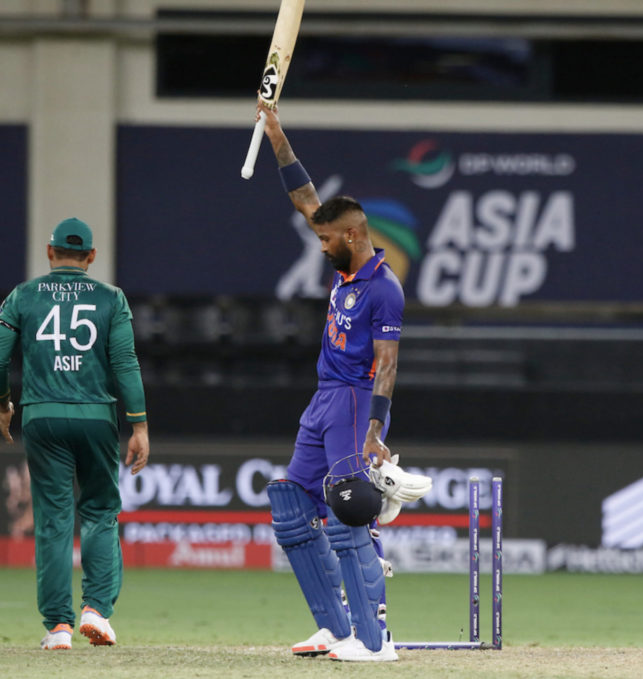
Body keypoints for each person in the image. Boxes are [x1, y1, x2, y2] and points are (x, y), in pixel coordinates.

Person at [258, 104, 405, 662]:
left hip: (350, 403)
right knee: (291, 503)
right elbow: (304, 199)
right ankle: (334, 627)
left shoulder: (384, 288)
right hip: (322, 399)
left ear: (352, 235)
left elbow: (387, 365)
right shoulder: (345, 266)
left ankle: (375, 641)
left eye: (326, 240)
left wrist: (373, 430)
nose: (319, 247)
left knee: (348, 509)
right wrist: (276, 133)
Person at [0, 217, 150, 651]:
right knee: (99, 512)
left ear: (49, 251)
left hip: (42, 417)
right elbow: (126, 364)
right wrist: (140, 424)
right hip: (96, 416)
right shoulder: (111, 298)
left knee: (54, 520)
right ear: (91, 256)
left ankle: (58, 628)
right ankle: (96, 610)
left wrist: (2, 404)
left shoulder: (23, 295)